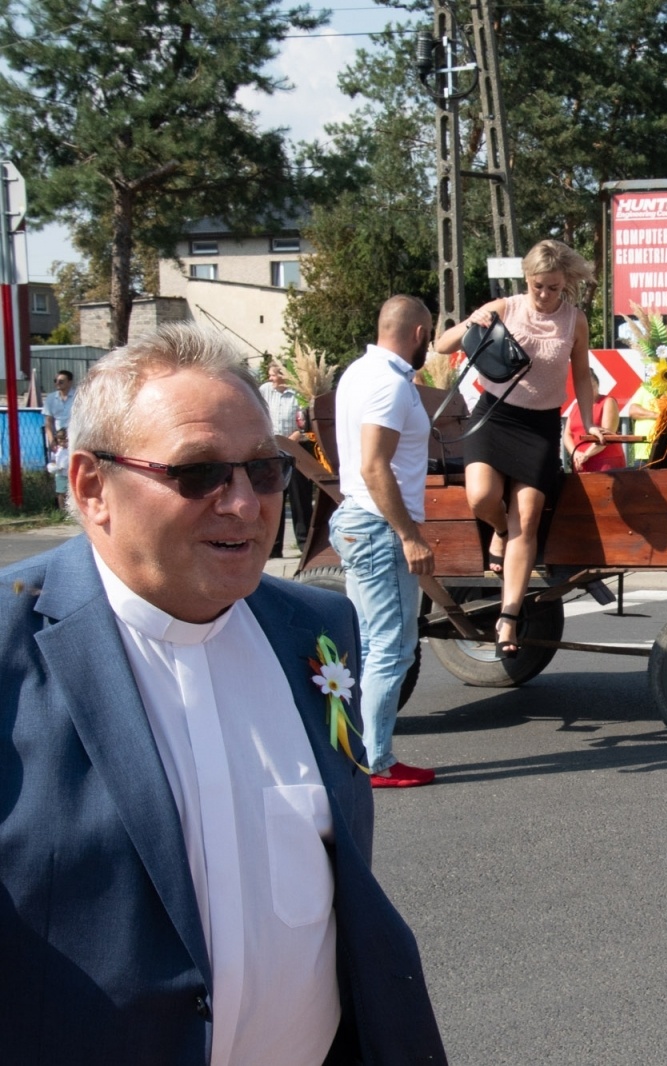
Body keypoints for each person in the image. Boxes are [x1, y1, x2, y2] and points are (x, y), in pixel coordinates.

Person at [0, 324, 447, 1062]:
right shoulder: (13, 648)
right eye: (199, 473)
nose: (244, 505)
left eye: (263, 472)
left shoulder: (318, 626)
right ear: (90, 486)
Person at [433, 239, 606, 656]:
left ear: (565, 283)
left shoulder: (575, 320)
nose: (545, 296)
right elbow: (442, 345)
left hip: (540, 425)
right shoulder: (506, 307)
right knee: (482, 497)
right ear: (526, 281)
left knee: (527, 518)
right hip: (495, 416)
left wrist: (591, 422)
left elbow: (582, 376)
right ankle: (499, 530)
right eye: (538, 286)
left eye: (553, 288)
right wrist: (470, 321)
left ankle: (508, 618)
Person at [332, 295, 438, 788]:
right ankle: (376, 761)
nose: (431, 342)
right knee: (392, 648)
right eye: (431, 334)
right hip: (378, 526)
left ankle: (359, 753)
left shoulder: (358, 372)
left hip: (359, 520)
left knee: (373, 645)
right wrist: (409, 535)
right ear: (419, 333)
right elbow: (375, 465)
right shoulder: (389, 384)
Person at [260, 360, 315, 557]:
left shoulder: (298, 394)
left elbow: (306, 421)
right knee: (275, 498)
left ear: (283, 375)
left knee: (300, 498)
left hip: (297, 451)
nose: (270, 378)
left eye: (273, 374)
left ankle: (304, 545)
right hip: (272, 452)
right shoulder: (265, 391)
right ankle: (274, 548)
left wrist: (294, 438)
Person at [564, 368, 627, 471]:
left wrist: (586, 454)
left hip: (604, 462)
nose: (589, 390)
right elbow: (567, 434)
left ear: (597, 385)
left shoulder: (608, 402)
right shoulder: (576, 406)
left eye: (592, 386)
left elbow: (607, 435)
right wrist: (575, 454)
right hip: (579, 462)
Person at [42, 367, 75, 448]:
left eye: (61, 382)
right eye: (55, 381)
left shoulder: (79, 396)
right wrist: (51, 441)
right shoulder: (51, 398)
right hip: (58, 440)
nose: (57, 383)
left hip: (75, 438)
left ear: (70, 382)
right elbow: (48, 422)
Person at [45, 428, 68, 509]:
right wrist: (53, 467)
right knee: (61, 492)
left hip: (70, 474)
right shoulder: (57, 450)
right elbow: (53, 461)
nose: (63, 442)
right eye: (60, 440)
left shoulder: (72, 449)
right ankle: (62, 510)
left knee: (71, 493)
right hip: (60, 475)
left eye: (65, 440)